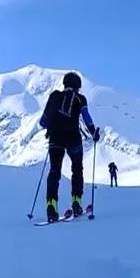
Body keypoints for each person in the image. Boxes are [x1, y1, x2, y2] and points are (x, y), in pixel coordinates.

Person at [38, 72, 101, 222]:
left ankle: (51, 206)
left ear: (65, 84)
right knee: (77, 169)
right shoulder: (80, 99)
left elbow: (43, 122)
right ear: (78, 86)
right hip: (73, 138)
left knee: (54, 172)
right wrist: (93, 133)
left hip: (55, 139)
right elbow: (86, 118)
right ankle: (76, 203)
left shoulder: (54, 96)